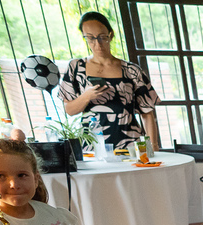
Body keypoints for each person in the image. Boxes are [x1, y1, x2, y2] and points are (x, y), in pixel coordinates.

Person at [59, 11, 160, 150]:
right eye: (91, 38)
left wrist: (153, 147)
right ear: (85, 38)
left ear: (110, 35)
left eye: (102, 37)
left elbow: (147, 113)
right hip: (93, 146)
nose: (97, 43)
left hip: (131, 143)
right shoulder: (76, 67)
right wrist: (87, 95)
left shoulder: (132, 70)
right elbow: (69, 110)